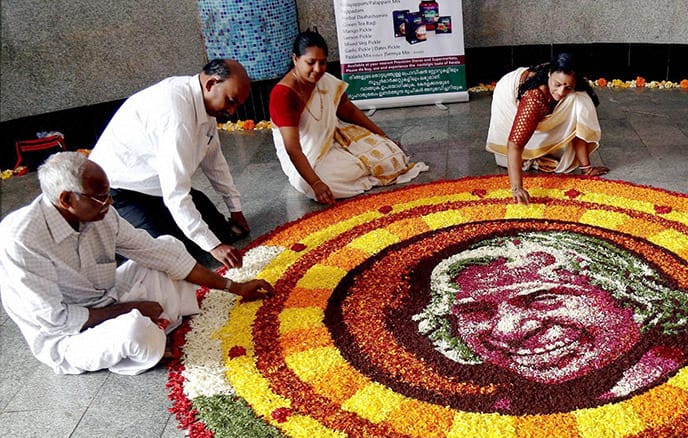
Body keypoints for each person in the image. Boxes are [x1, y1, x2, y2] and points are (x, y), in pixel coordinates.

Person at [0, 152, 273, 376]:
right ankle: (150, 330)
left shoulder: (102, 214)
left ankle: (155, 326)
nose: (108, 203)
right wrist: (130, 308)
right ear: (67, 200)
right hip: (67, 335)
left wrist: (235, 287)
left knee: (169, 246)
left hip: (107, 298)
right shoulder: (22, 239)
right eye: (100, 197)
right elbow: (56, 319)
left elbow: (161, 254)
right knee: (134, 331)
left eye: (109, 195)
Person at [414, 231, 688, 409]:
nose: (507, 331)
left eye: (542, 298)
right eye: (476, 311)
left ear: (631, 295)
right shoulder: (502, 407)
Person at [89, 59, 253, 269]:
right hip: (120, 192)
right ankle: (112, 235)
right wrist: (214, 247)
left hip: (157, 186)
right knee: (168, 254)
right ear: (211, 84)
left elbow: (214, 161)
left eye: (237, 105)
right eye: (231, 101)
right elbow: (175, 193)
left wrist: (235, 209)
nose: (232, 112)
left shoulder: (205, 104)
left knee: (221, 231)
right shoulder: (177, 115)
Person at [269, 31, 428, 205]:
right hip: (306, 156)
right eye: (310, 62)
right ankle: (364, 174)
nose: (317, 69)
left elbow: (350, 112)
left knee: (392, 153)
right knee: (316, 184)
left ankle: (360, 169)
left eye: (322, 63)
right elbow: (293, 149)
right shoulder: (283, 94)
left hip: (335, 138)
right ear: (295, 59)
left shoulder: (325, 80)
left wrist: (383, 136)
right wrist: (316, 183)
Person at [486, 53, 607, 205]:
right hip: (508, 92)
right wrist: (517, 188)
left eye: (568, 87)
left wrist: (586, 169)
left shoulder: (572, 90)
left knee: (580, 102)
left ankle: (543, 154)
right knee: (519, 144)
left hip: (539, 94)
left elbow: (578, 123)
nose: (561, 92)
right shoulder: (533, 99)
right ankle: (530, 157)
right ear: (550, 75)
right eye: (557, 84)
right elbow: (514, 145)